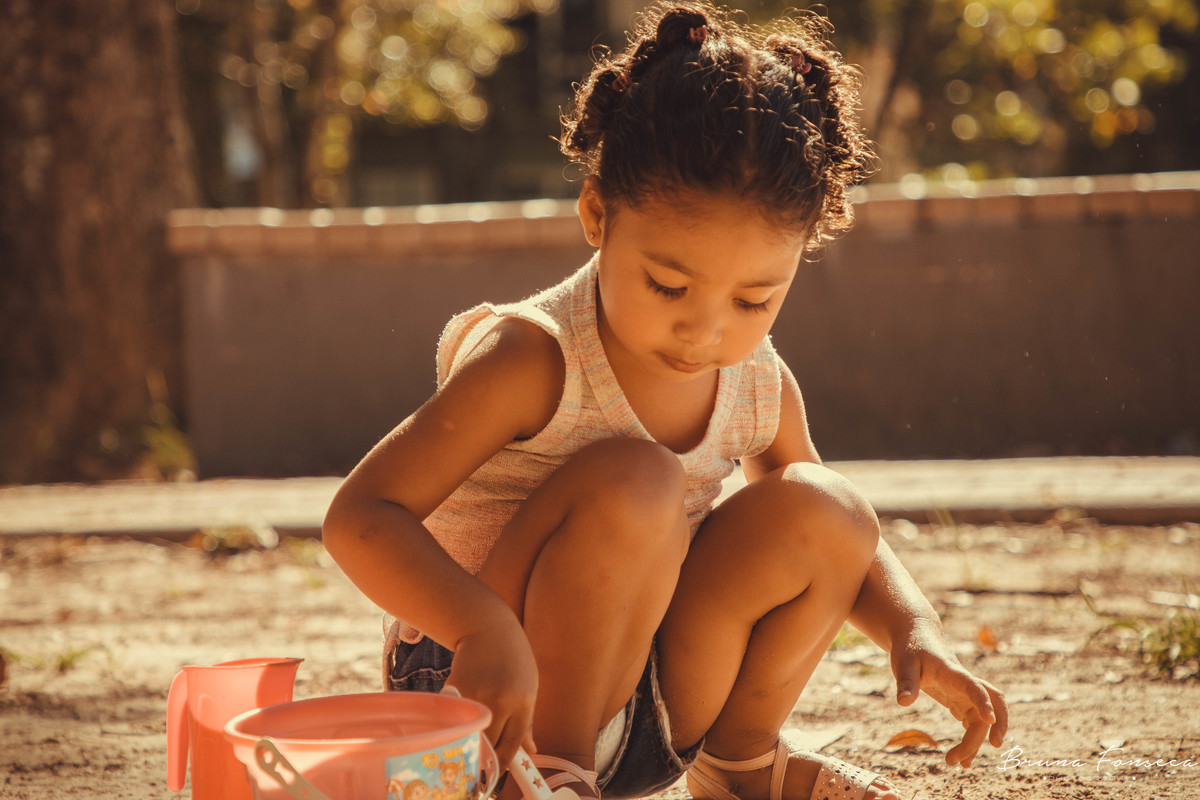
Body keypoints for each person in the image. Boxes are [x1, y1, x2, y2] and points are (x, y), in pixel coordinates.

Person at [322, 3, 1008, 799]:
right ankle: (550, 776)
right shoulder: (535, 357)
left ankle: (739, 761)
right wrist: (480, 628)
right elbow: (361, 516)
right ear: (597, 215)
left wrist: (914, 625)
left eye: (754, 300)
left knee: (827, 507)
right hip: (480, 690)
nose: (705, 331)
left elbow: (843, 540)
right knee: (638, 478)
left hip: (651, 708)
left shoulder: (753, 379)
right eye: (668, 286)